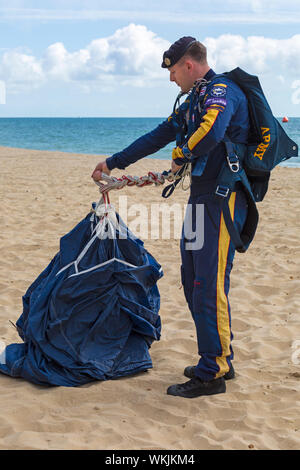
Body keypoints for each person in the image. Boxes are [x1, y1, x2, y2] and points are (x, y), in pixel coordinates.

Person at [92, 36, 249, 398]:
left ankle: (213, 371)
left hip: (223, 201)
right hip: (201, 199)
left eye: (174, 70)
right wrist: (115, 161)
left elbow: (212, 129)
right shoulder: (193, 99)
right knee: (193, 277)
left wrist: (182, 152)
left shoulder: (222, 90)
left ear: (189, 65)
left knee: (208, 282)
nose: (171, 78)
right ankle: (219, 355)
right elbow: (159, 134)